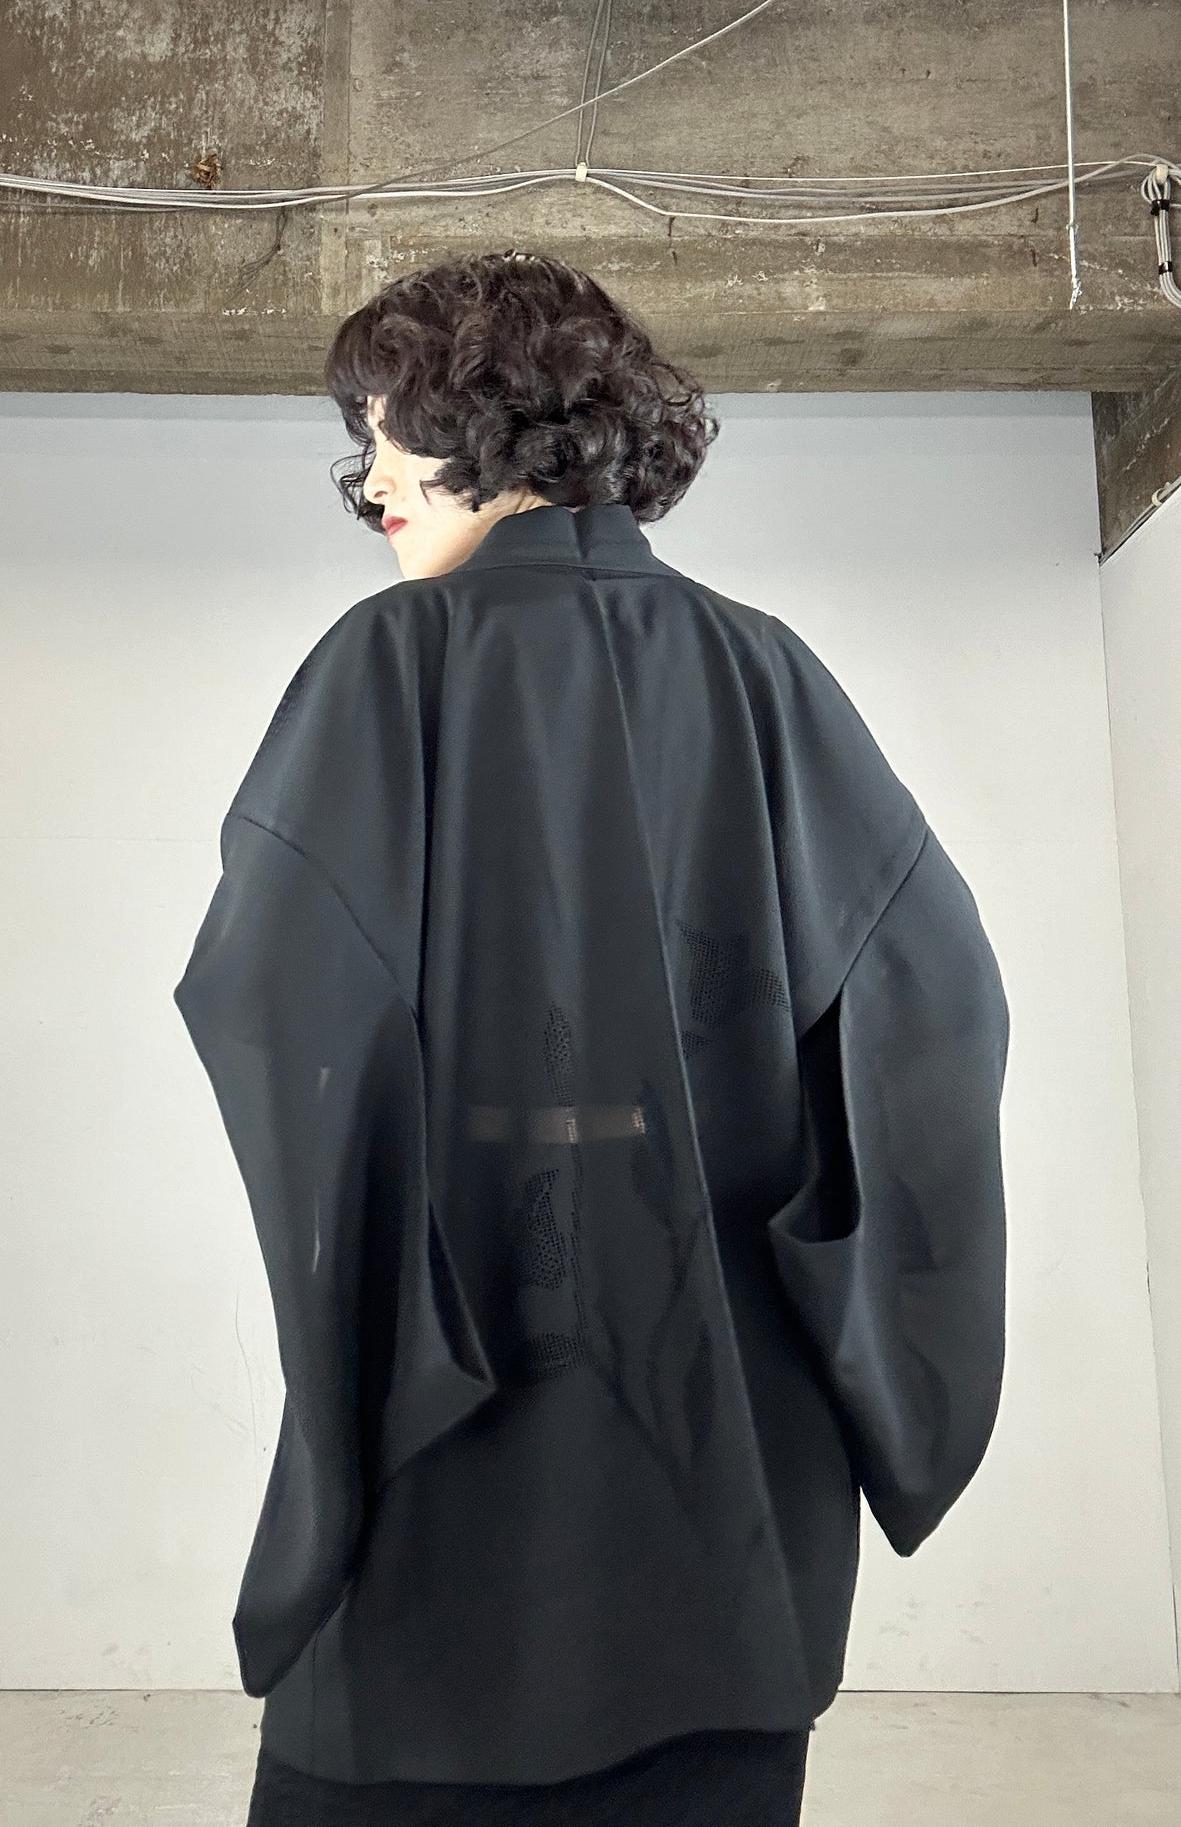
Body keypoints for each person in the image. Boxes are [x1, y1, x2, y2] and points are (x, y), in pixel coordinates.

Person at [173, 251, 1010, 1826]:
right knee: (701, 1735)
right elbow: (927, 994)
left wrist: (395, 1254)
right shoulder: (763, 668)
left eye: (382, 434)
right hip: (728, 1378)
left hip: (458, 1362)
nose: (370, 482)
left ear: (482, 426)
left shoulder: (390, 660)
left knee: (398, 1739)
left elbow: (279, 998)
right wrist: (804, 1232)